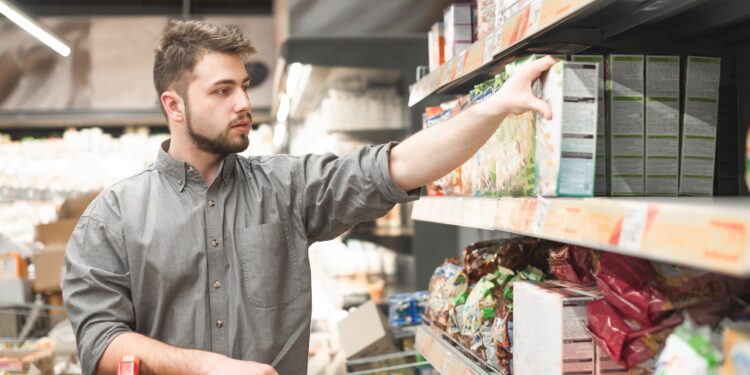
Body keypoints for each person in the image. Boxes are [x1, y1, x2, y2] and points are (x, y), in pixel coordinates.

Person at [62, 20, 554, 375]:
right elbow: (101, 343)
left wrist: (495, 107)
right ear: (174, 105)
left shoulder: (285, 188)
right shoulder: (113, 218)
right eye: (222, 90)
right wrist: (208, 368)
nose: (243, 104)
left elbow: (395, 167)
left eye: (245, 87)